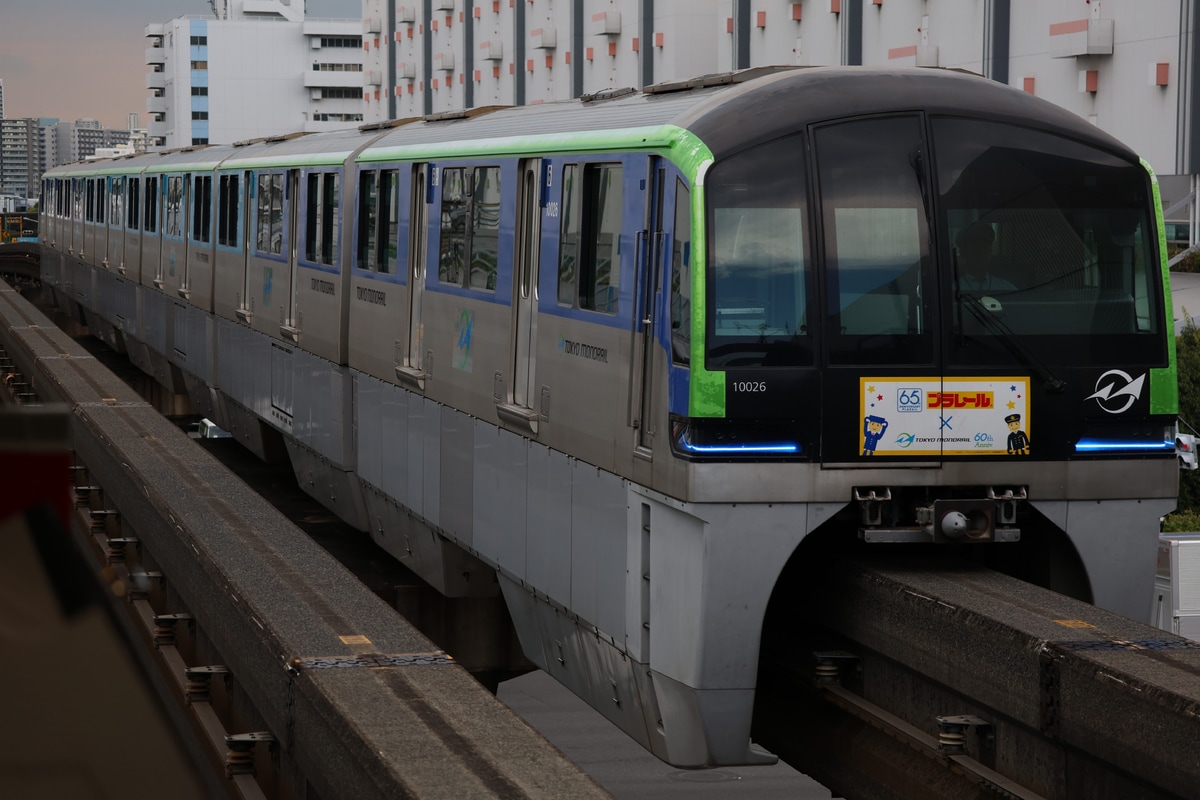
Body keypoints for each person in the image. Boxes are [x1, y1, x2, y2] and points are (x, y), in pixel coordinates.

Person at [956, 222, 1015, 293]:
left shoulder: (1006, 287)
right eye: (976, 246)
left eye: (985, 245)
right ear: (964, 252)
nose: (982, 252)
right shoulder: (954, 289)